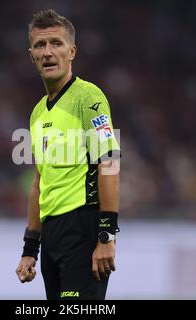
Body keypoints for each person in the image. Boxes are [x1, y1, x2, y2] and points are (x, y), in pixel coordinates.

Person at [15, 9, 121, 300]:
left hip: (84, 229)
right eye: (40, 45)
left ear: (71, 51)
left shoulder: (89, 98)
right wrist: (29, 250)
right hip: (52, 237)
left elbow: (109, 164)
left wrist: (106, 237)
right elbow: (39, 183)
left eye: (56, 43)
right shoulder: (37, 113)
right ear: (31, 55)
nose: (48, 52)